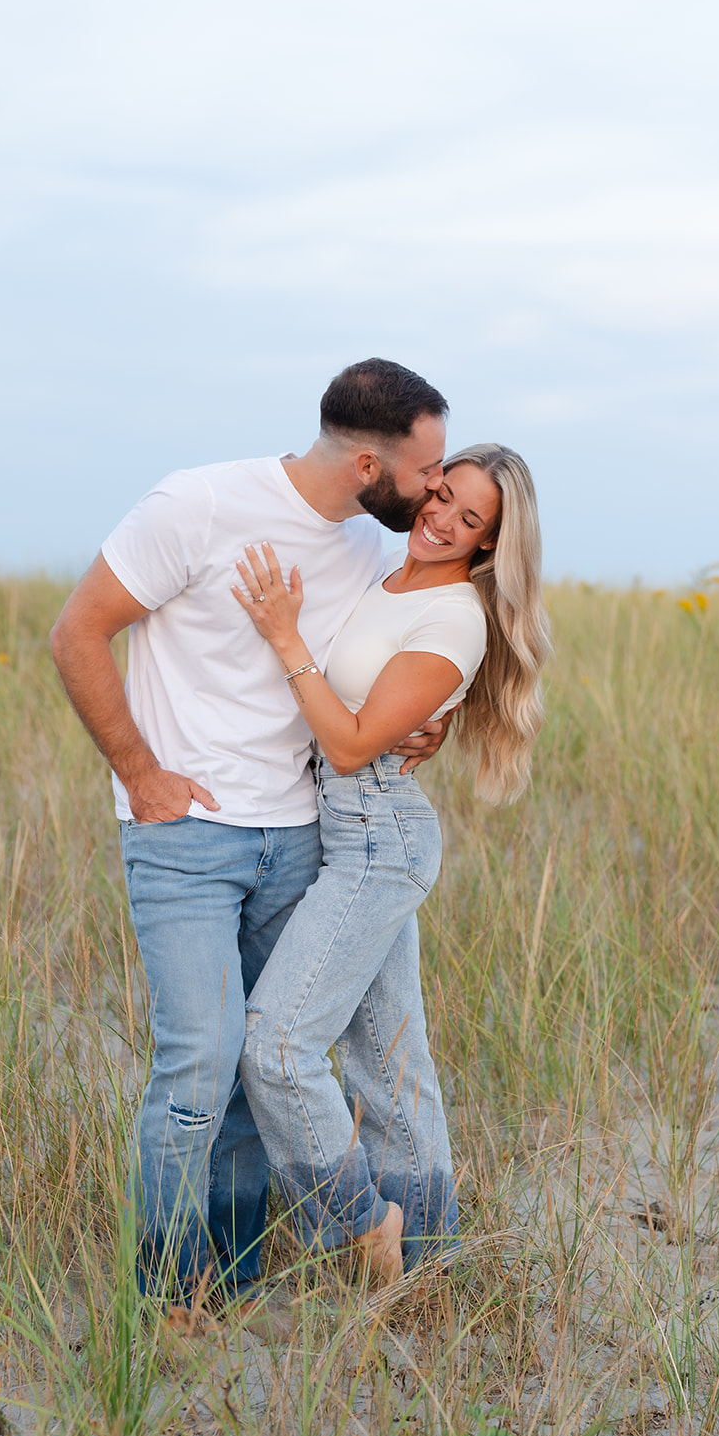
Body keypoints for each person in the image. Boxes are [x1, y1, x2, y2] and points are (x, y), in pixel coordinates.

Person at [49, 359, 455, 1309]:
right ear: (367, 464)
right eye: (425, 469)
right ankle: (168, 1288)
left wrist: (419, 725)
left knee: (257, 1070)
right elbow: (78, 633)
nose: (435, 486)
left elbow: (372, 674)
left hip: (304, 838)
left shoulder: (369, 551)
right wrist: (139, 774)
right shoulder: (195, 505)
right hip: (187, 838)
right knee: (197, 1063)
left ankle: (228, 1273)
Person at [232, 444, 551, 1284]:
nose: (440, 518)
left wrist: (283, 637)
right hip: (346, 830)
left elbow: (345, 746)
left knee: (274, 1043)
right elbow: (371, 700)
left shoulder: (452, 616)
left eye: (467, 519)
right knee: (391, 1061)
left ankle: (360, 1222)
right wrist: (422, 717)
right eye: (440, 495)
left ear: (488, 545)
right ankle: (428, 1262)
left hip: (376, 839)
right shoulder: (391, 574)